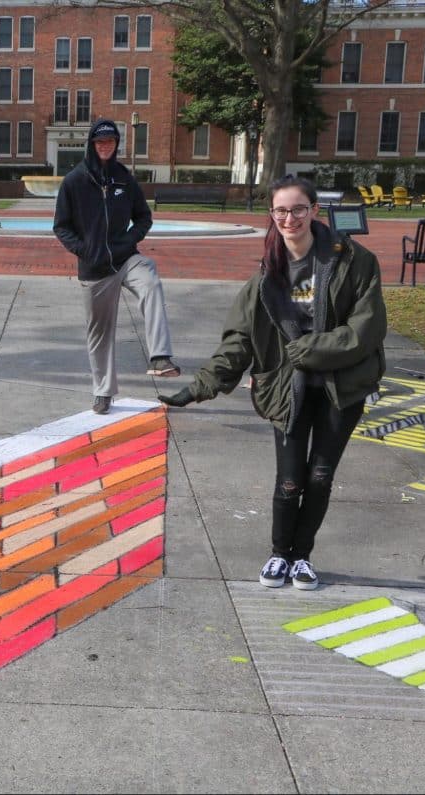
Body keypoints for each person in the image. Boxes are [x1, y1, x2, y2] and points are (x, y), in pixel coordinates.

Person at [159, 174, 387, 590]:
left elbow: (367, 329)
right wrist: (199, 387)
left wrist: (309, 350)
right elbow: (239, 341)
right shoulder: (268, 278)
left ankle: (302, 557)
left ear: (315, 211)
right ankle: (279, 554)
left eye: (298, 209)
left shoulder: (353, 260)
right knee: (289, 480)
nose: (290, 218)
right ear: (272, 215)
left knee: (320, 476)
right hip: (289, 389)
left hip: (343, 387)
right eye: (281, 210)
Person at [53, 118, 179, 415]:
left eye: (110, 142)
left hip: (125, 259)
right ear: (92, 145)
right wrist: (85, 250)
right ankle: (103, 392)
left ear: (116, 144)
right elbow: (61, 226)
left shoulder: (124, 178)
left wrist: (128, 240)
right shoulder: (75, 181)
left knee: (149, 278)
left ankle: (160, 356)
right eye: (100, 142)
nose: (105, 146)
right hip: (95, 269)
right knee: (99, 333)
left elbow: (144, 217)